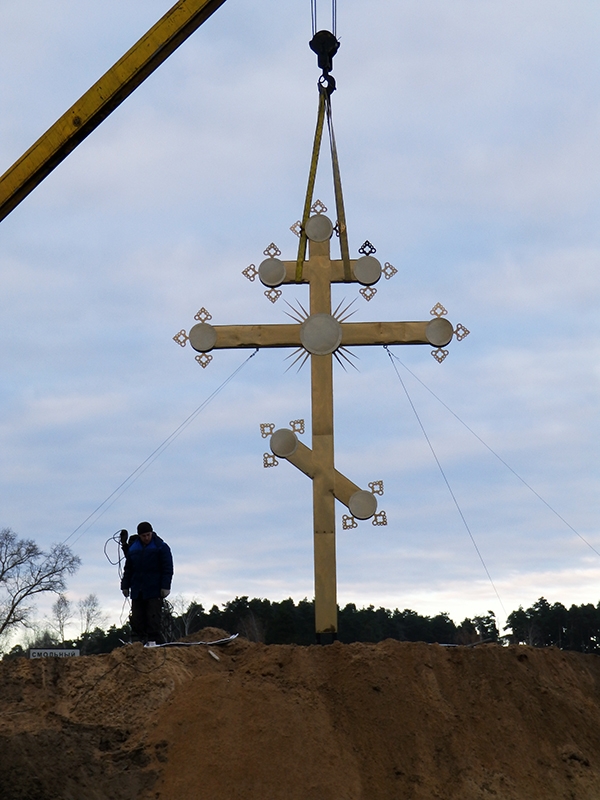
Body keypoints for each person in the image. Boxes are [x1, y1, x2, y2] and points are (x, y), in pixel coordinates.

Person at [120, 521, 173, 644]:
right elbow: (128, 569)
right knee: (137, 618)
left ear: (152, 533)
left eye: (148, 535)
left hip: (154, 589)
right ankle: (140, 642)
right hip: (137, 589)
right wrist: (125, 586)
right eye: (143, 536)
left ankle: (153, 641)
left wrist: (165, 586)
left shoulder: (161, 547)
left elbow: (167, 568)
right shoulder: (133, 549)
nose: (146, 538)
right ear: (139, 535)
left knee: (153, 617)